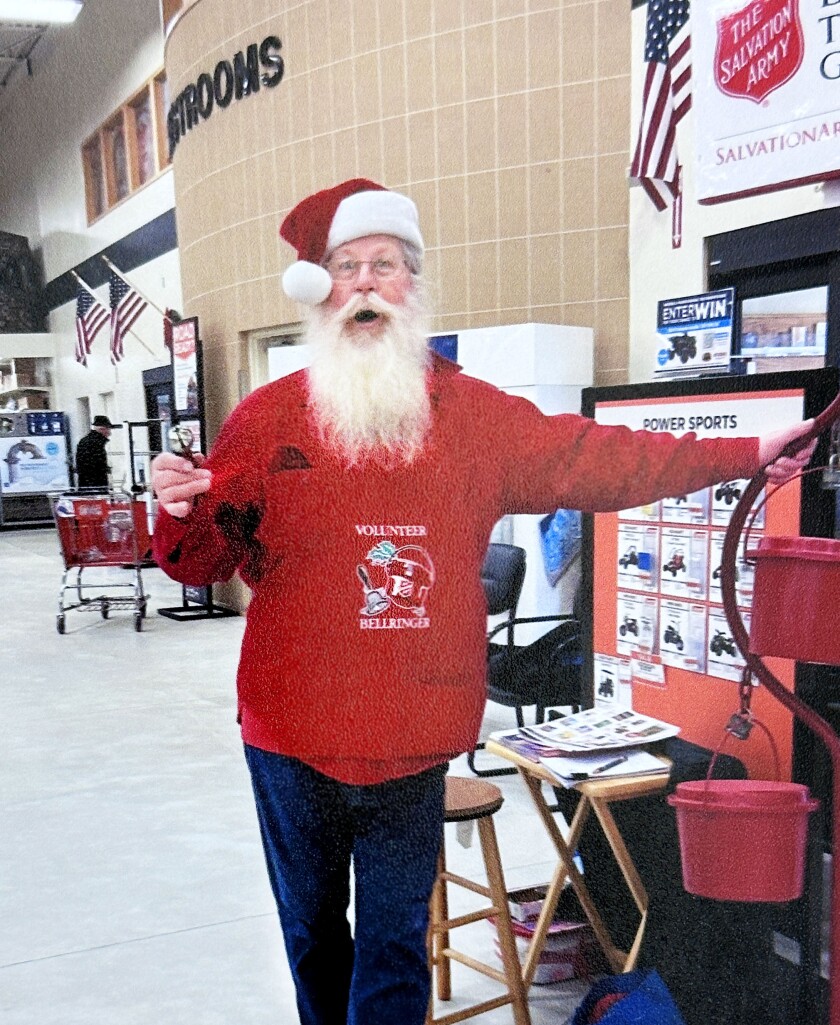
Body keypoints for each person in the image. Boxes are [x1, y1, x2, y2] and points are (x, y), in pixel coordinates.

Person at [149, 178, 816, 1025]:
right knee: (312, 933)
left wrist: (746, 452)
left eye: (385, 264)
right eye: (346, 266)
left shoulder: (473, 418)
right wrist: (177, 508)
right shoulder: (267, 418)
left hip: (412, 735)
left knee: (395, 945)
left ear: (414, 282)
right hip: (290, 734)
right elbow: (200, 560)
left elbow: (600, 457)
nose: (365, 284)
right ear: (320, 291)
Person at [75, 414, 114, 490]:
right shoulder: (96, 443)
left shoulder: (85, 441)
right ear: (102, 429)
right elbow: (97, 465)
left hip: (85, 484)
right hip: (95, 485)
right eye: (108, 429)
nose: (109, 433)